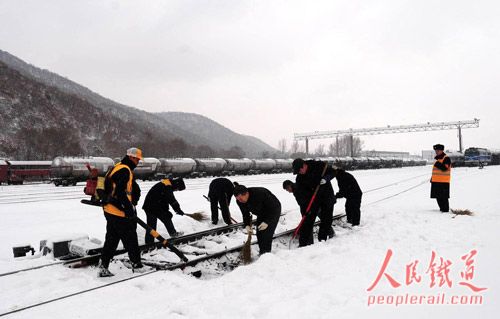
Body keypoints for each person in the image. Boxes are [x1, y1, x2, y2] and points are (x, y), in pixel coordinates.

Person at [98, 147, 144, 277]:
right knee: (131, 239)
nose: (138, 162)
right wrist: (129, 209)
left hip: (109, 210)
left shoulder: (118, 166)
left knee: (111, 240)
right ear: (131, 157)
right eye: (137, 159)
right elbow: (120, 192)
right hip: (119, 212)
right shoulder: (124, 170)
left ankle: (103, 266)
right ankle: (137, 265)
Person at [292, 158, 336, 244]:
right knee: (308, 220)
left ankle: (322, 240)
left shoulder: (318, 166)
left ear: (304, 166)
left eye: (299, 170)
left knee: (326, 219)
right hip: (314, 200)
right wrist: (305, 208)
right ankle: (304, 244)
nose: (299, 173)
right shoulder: (299, 178)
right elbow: (301, 194)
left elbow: (333, 171)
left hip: (326, 196)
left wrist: (326, 178)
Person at [234, 183, 281, 254]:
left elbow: (275, 208)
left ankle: (266, 254)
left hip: (273, 211)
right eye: (237, 199)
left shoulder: (261, 193)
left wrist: (267, 222)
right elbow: (245, 214)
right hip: (261, 213)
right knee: (259, 234)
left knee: (267, 234)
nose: (240, 201)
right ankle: (262, 252)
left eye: (240, 198)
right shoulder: (240, 201)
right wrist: (247, 225)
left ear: (246, 193)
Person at [142, 177, 186, 244]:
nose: (176, 190)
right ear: (177, 185)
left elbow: (164, 200)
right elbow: (172, 200)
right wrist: (178, 210)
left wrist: (168, 211)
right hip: (151, 207)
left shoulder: (167, 183)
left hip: (156, 205)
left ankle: (173, 233)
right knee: (152, 226)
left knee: (166, 217)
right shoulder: (167, 186)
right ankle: (149, 243)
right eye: (177, 189)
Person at [431, 144, 451, 212]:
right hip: (436, 180)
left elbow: (445, 168)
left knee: (444, 197)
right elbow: (436, 171)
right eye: (436, 150)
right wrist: (432, 178)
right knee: (438, 196)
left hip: (444, 181)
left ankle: (445, 210)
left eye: (438, 150)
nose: (436, 151)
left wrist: (437, 163)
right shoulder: (437, 159)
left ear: (442, 150)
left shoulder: (446, 158)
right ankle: (442, 209)